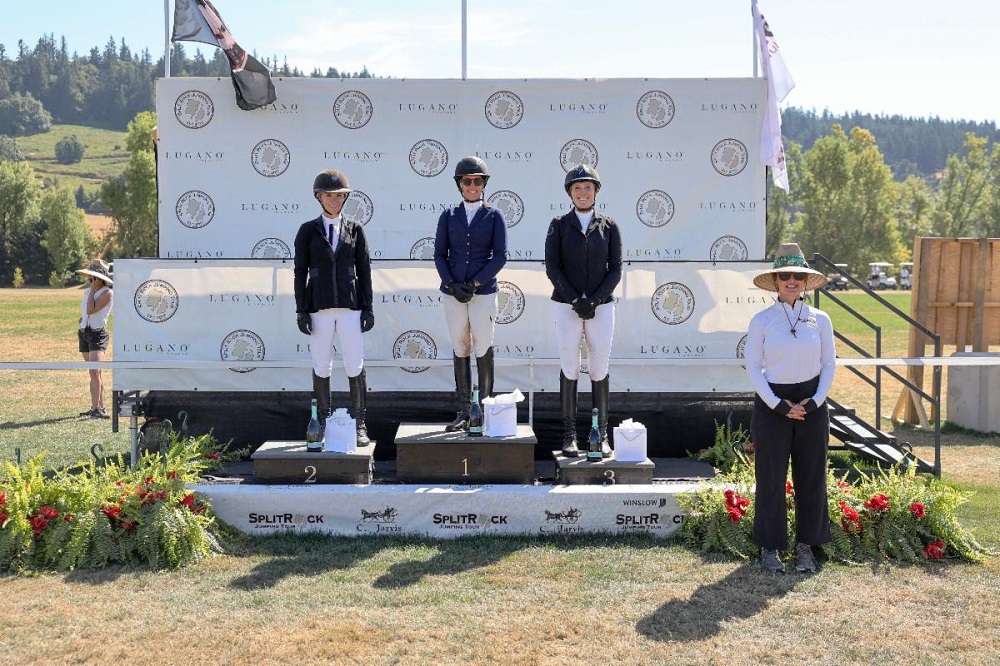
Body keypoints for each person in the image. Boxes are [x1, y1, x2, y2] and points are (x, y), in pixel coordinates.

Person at [745, 243, 836, 573]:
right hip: (773, 403)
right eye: (785, 276)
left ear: (806, 280)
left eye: (798, 275)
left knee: (811, 477)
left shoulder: (820, 319)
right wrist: (777, 405)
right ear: (776, 281)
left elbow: (829, 363)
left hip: (812, 403)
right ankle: (769, 548)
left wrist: (816, 401)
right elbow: (753, 366)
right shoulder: (762, 320)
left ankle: (806, 548)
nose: (792, 281)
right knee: (770, 478)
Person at [544, 164, 622, 458]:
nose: (583, 192)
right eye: (577, 188)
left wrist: (595, 299)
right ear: (570, 193)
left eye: (587, 187)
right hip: (567, 305)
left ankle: (600, 435)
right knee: (570, 365)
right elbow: (553, 267)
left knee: (599, 366)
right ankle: (569, 435)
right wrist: (575, 299)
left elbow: (616, 268)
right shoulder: (558, 225)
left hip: (601, 306)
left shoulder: (609, 226)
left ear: (595, 191)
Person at [294, 168, 374, 446]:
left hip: (350, 307)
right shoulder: (308, 230)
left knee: (354, 363)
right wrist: (301, 309)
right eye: (329, 195)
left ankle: (360, 423)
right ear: (319, 197)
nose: (334, 200)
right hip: (319, 306)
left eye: (339, 196)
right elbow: (300, 272)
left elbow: (364, 270)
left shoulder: (356, 229)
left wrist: (368, 307)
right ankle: (322, 422)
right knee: (321, 363)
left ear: (344, 198)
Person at [434, 156, 508, 431]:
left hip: (483, 292)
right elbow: (439, 254)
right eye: (468, 181)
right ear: (460, 184)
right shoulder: (448, 215)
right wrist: (452, 284)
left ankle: (483, 410)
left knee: (483, 345)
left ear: (484, 184)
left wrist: (475, 283)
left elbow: (500, 256)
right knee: (459, 345)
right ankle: (464, 409)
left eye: (477, 181)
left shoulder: (494, 216)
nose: (473, 186)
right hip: (453, 292)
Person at [76, 259, 113, 419]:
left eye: (92, 277)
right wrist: (82, 321)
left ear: (99, 278)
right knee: (94, 373)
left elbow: (91, 310)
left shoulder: (107, 293)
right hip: (84, 333)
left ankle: (97, 408)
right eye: (89, 277)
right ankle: (98, 407)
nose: (89, 280)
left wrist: (92, 291)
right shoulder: (87, 292)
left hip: (97, 335)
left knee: (94, 371)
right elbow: (86, 313)